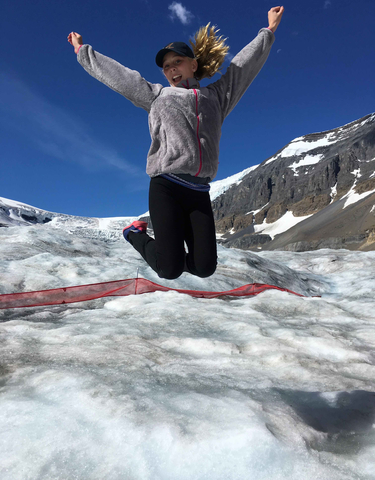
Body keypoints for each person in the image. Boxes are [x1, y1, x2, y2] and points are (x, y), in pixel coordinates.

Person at [67, 6, 284, 280]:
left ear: (193, 65)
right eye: (166, 67)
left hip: (198, 192)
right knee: (169, 268)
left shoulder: (216, 97)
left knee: (204, 267)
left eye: (177, 62)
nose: (171, 69)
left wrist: (268, 31)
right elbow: (121, 77)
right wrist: (82, 51)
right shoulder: (157, 96)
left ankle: (171, 250)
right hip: (166, 187)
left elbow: (242, 69)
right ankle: (135, 234)